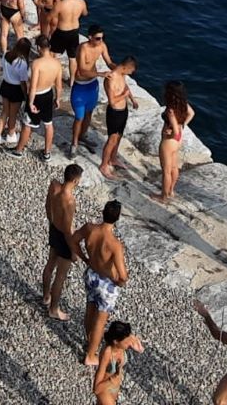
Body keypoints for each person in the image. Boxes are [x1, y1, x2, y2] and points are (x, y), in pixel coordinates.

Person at [74, 200, 128, 366]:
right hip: (106, 282)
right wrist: (119, 282)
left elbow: (73, 239)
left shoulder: (90, 228)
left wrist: (84, 258)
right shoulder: (115, 244)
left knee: (90, 309)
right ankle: (91, 355)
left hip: (91, 274)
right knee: (100, 320)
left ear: (103, 212)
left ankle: (89, 342)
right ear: (117, 218)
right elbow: (123, 275)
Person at [9, 34, 61, 159]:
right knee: (48, 124)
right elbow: (59, 85)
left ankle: (19, 151)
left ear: (38, 48)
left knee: (27, 125)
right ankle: (47, 153)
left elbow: (33, 86)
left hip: (36, 96)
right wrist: (58, 98)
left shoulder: (36, 64)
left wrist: (30, 103)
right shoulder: (57, 63)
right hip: (48, 94)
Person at [43, 164, 82, 321]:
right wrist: (74, 252)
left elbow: (47, 206)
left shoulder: (54, 186)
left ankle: (46, 296)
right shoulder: (69, 201)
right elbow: (67, 230)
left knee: (50, 264)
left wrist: (52, 221)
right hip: (64, 236)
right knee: (60, 276)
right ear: (75, 180)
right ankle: (54, 309)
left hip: (53, 228)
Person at [152, 81, 196, 204]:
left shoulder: (171, 110)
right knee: (174, 167)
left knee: (166, 171)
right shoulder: (183, 104)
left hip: (169, 141)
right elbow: (192, 113)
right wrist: (183, 125)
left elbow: (175, 131)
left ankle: (163, 197)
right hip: (178, 141)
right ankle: (171, 191)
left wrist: (170, 133)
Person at [69, 23, 109, 151]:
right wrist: (100, 74)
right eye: (97, 38)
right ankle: (74, 143)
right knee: (79, 117)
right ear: (90, 37)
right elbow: (81, 70)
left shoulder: (101, 46)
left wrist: (119, 70)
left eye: (102, 38)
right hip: (80, 86)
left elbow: (109, 61)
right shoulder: (83, 48)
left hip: (92, 86)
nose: (100, 41)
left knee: (89, 113)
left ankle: (83, 136)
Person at [98, 56, 138, 177]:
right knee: (112, 139)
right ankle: (103, 165)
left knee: (119, 136)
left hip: (123, 111)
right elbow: (112, 101)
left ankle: (113, 158)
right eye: (131, 71)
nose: (130, 73)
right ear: (126, 67)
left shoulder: (122, 74)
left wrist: (132, 98)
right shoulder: (111, 78)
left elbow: (125, 86)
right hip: (114, 112)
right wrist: (124, 95)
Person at [93, 321, 144, 405]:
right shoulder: (107, 353)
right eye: (126, 342)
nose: (129, 343)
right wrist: (112, 381)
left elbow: (140, 348)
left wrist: (136, 343)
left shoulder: (123, 340)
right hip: (105, 391)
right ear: (116, 341)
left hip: (114, 390)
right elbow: (96, 389)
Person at [0, 37, 31, 148]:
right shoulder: (22, 63)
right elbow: (22, 81)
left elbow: (0, 68)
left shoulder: (6, 54)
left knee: (4, 112)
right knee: (13, 114)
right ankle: (11, 134)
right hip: (16, 89)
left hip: (5, 85)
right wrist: (26, 95)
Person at [50, 0, 89, 77]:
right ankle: (72, 80)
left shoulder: (61, 4)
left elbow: (51, 16)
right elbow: (85, 13)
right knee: (72, 57)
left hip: (61, 31)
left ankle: (54, 75)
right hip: (74, 32)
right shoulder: (81, 2)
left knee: (53, 54)